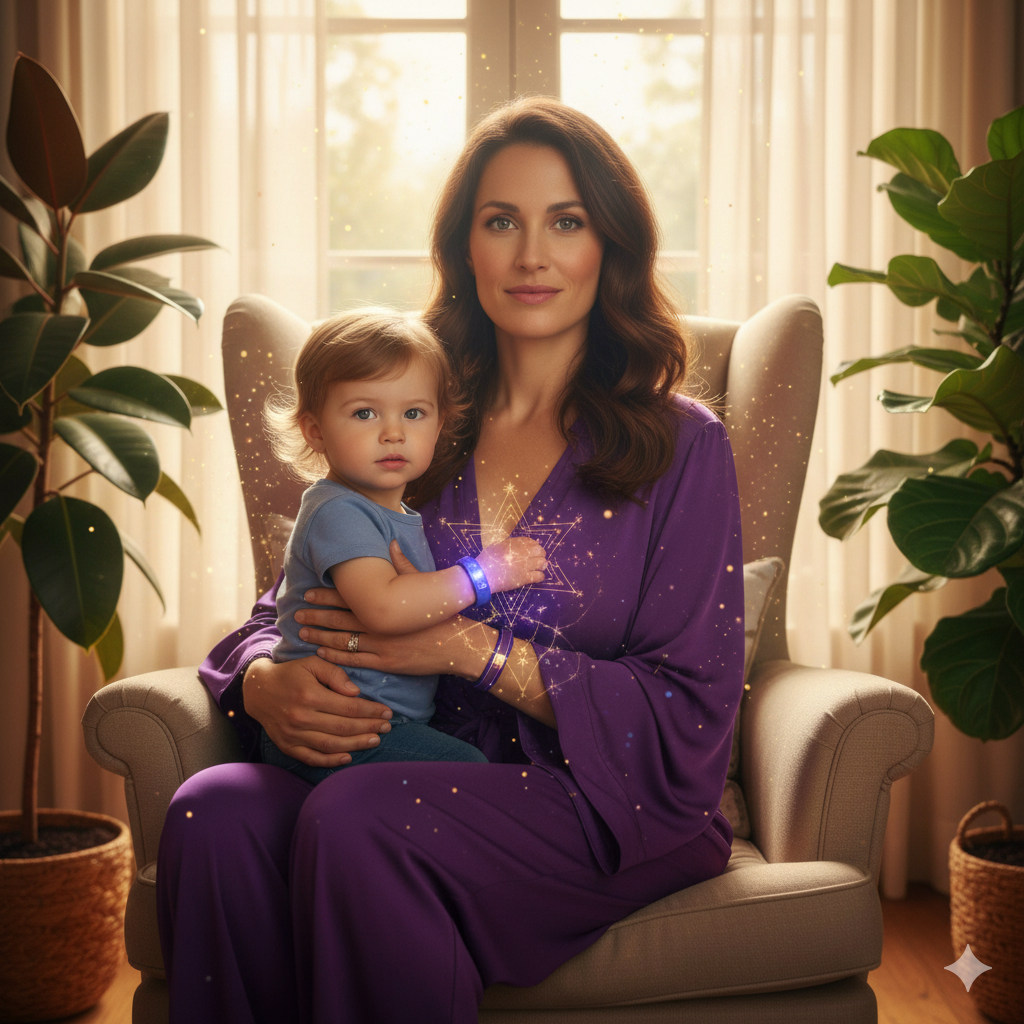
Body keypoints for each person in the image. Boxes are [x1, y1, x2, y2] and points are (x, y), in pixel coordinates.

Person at [157, 96, 745, 1024]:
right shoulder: (411, 418)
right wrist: (259, 678)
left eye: (567, 221)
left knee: (363, 820)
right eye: (500, 221)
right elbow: (286, 606)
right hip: (397, 766)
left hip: (597, 802)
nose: (532, 255)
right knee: (213, 809)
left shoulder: (683, 448)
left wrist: (465, 651)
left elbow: (692, 707)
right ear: (464, 248)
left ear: (611, 245)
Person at [262, 308, 547, 782]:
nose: (393, 431)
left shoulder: (392, 512)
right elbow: (385, 610)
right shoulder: (338, 511)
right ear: (315, 431)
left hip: (381, 726)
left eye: (413, 413)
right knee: (468, 773)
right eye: (364, 412)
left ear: (439, 426)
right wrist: (484, 575)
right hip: (336, 727)